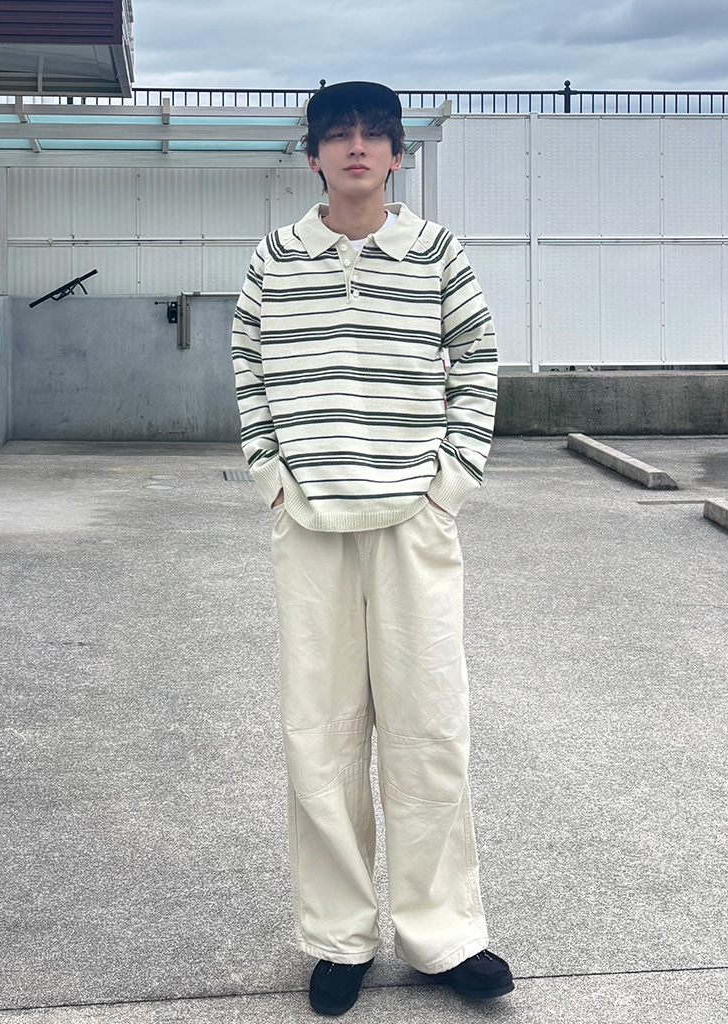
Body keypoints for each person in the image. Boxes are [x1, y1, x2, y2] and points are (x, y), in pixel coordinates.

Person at [231, 80, 513, 1017]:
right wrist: (272, 476)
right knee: (320, 735)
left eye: (373, 135)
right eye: (338, 135)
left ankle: (444, 935)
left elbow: (478, 362)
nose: (356, 148)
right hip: (310, 521)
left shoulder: (437, 252)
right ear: (312, 154)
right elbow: (248, 369)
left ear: (396, 153)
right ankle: (338, 937)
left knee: (429, 729)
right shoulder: (274, 258)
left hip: (412, 522)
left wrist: (450, 482)